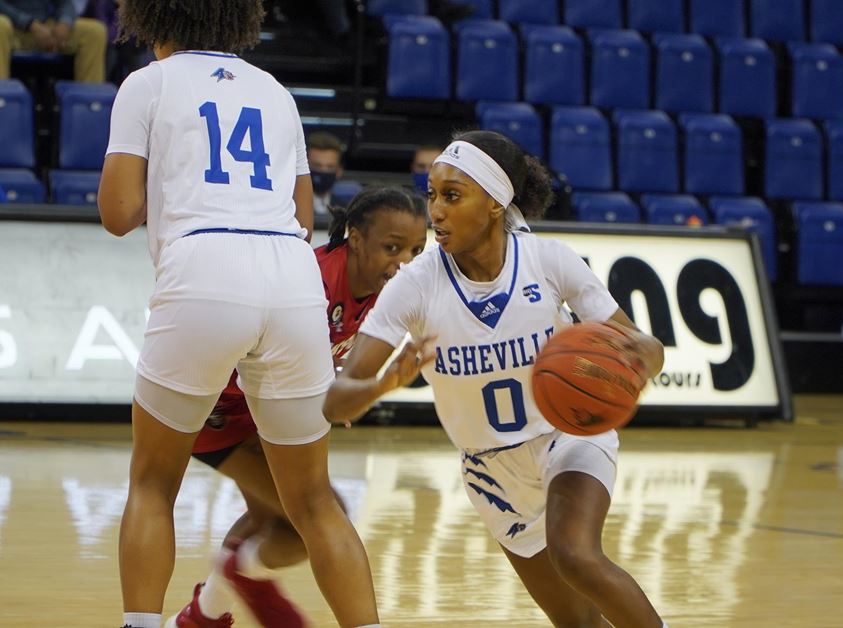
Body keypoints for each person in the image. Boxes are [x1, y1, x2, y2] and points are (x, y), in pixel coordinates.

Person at [97, 2, 379, 627]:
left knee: (152, 483)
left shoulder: (148, 83)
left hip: (204, 270)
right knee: (312, 501)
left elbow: (117, 213)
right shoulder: (275, 90)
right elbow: (305, 218)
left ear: (151, 15)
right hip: (290, 273)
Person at [324, 130, 668, 628]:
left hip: (566, 437)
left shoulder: (548, 261)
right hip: (490, 472)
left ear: (493, 202)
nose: (435, 211)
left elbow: (649, 350)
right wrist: (381, 386)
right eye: (432, 195)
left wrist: (638, 356)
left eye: (452, 196)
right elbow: (335, 403)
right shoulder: (414, 285)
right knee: (577, 621)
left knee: (576, 556)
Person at [168, 187, 427, 628]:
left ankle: (203, 615)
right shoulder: (315, 279)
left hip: (266, 403)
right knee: (320, 516)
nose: (403, 261)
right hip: (222, 408)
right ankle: (237, 577)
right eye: (392, 247)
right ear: (356, 238)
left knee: (279, 519)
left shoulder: (388, 293)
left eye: (416, 250)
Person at [0, 0, 107, 81]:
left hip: (44, 27)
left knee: (94, 32)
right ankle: (3, 100)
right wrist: (29, 24)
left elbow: (66, 3)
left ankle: (89, 105)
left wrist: (65, 23)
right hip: (12, 27)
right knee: (1, 25)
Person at [306, 130, 344, 218]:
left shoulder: (345, 210)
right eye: (317, 166)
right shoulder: (289, 207)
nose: (323, 171)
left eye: (330, 167)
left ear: (339, 171)